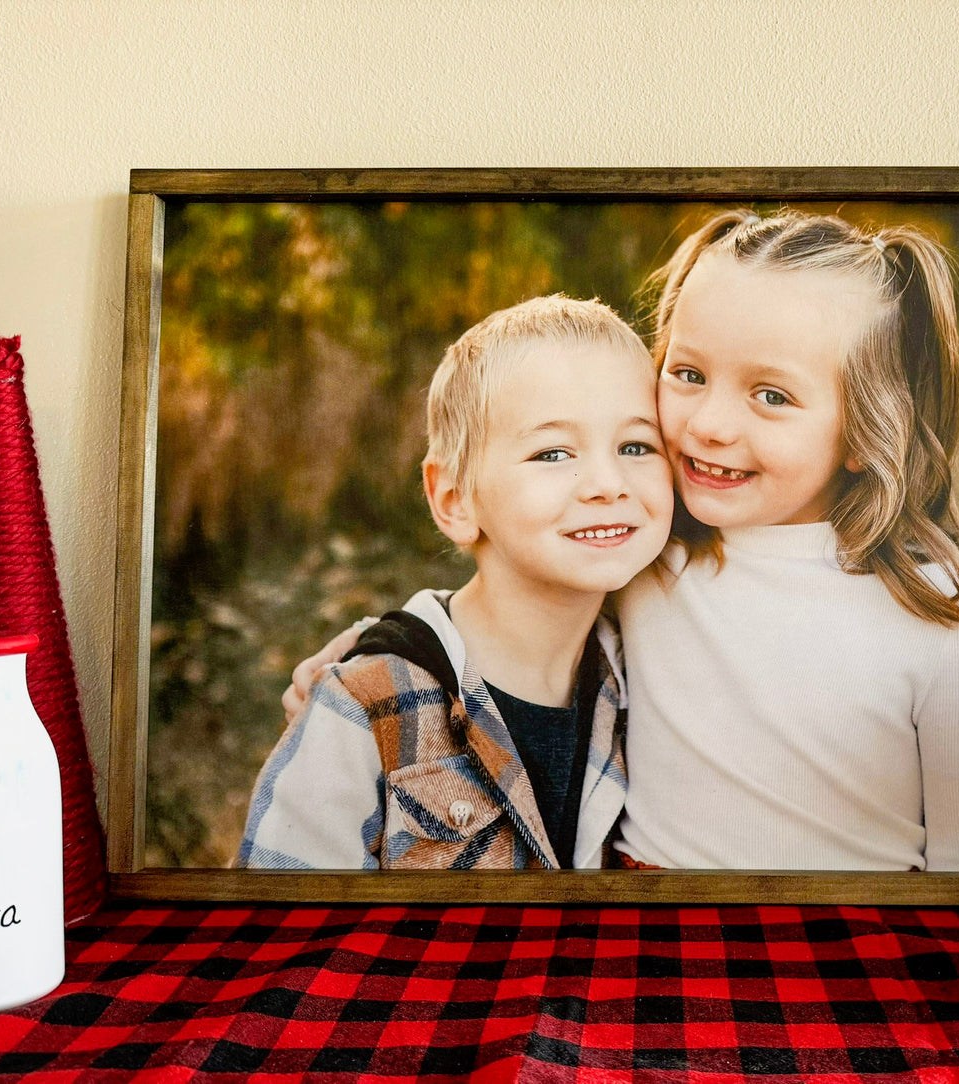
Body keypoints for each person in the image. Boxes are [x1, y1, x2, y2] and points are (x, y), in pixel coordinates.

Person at [282, 210, 959, 873]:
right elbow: (510, 600)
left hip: (850, 948)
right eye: (687, 373)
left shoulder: (939, 614)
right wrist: (377, 651)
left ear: (868, 429)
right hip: (645, 937)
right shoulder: (650, 547)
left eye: (770, 395)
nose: (709, 423)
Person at [237, 295, 674, 870]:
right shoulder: (368, 703)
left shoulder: (643, 680)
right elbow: (277, 920)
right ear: (454, 500)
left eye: (636, 446)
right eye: (552, 452)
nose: (607, 482)